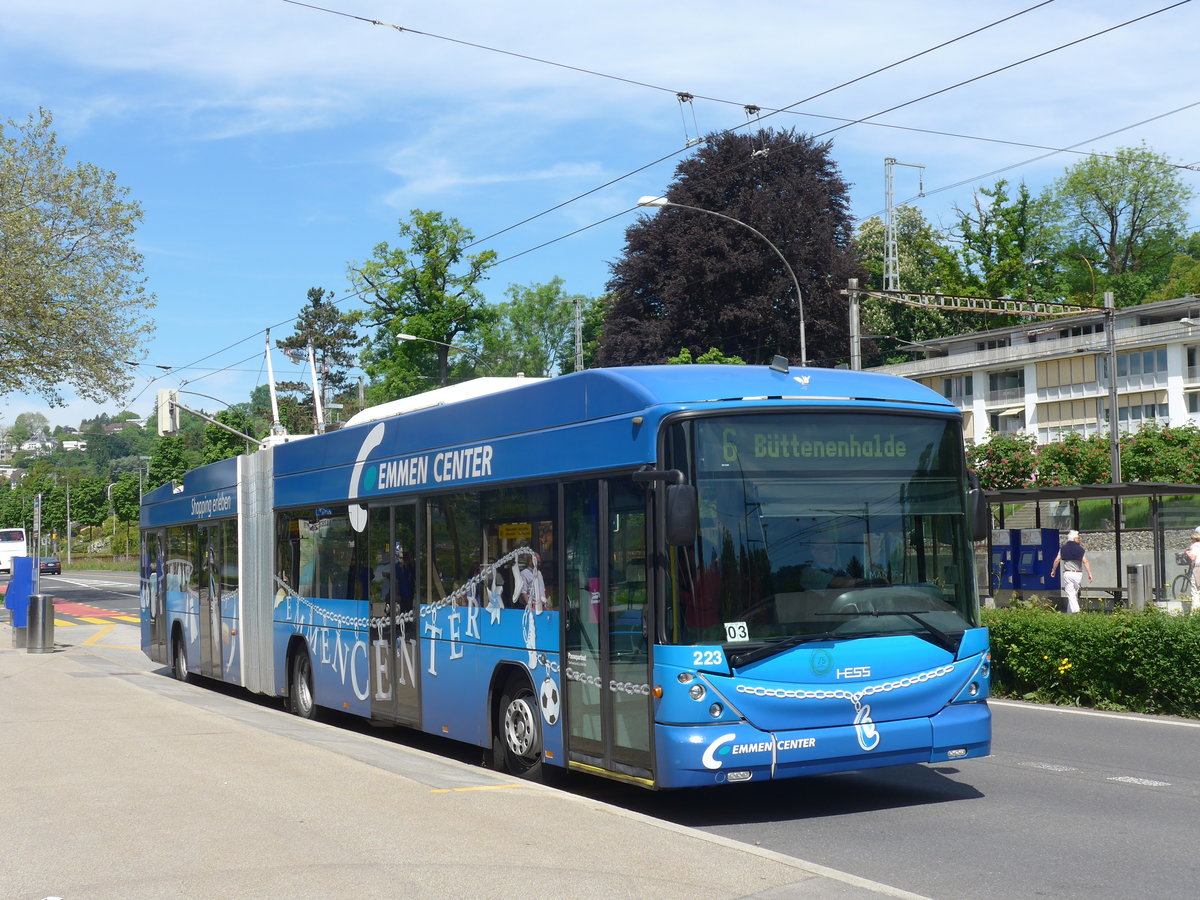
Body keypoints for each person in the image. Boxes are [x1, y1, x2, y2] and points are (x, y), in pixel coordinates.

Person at [1050, 530, 1093, 614]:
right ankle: (1072, 612)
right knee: (1073, 594)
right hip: (1078, 574)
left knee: (1071, 593)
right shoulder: (1080, 549)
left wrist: (1053, 570)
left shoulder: (1063, 549)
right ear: (1074, 539)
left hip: (1068, 573)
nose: (1079, 539)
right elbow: (1085, 561)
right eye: (1078, 538)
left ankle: (1074, 611)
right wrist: (1089, 573)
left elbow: (1057, 560)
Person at [1186, 526, 1200, 603]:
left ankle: (1195, 612)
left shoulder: (1195, 546)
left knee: (1195, 591)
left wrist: (1188, 553)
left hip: (1197, 568)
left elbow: (1193, 557)